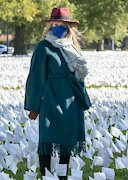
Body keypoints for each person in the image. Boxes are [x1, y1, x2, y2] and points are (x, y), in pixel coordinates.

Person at [24, 7, 91, 179]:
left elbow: (79, 78)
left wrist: (83, 99)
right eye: (55, 23)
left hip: (71, 102)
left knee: (66, 143)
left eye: (62, 23)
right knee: (46, 139)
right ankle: (45, 175)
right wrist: (34, 106)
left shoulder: (72, 48)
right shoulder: (43, 47)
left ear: (68, 26)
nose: (58, 26)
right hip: (51, 100)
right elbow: (35, 78)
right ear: (50, 25)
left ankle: (62, 176)